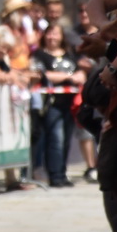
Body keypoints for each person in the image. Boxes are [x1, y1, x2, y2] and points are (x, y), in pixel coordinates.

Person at [31, 23, 79, 188]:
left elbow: (80, 75)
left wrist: (69, 77)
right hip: (51, 104)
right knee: (56, 139)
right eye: (49, 33)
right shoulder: (40, 55)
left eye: (55, 33)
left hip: (70, 103)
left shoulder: (70, 54)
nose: (52, 37)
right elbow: (45, 75)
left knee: (66, 140)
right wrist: (69, 77)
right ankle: (55, 175)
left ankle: (62, 173)